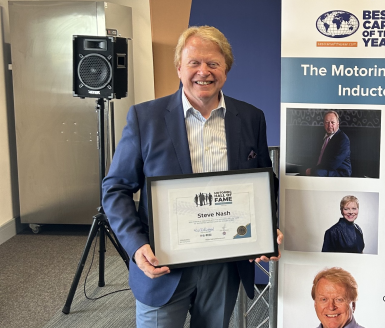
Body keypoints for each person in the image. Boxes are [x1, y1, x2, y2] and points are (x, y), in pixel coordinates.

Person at [102, 26, 283, 328]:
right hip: (163, 264)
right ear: (179, 68)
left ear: (226, 70)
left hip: (224, 265)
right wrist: (135, 245)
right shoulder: (145, 118)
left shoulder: (252, 118)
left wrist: (266, 228)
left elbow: (265, 183)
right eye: (194, 63)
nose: (204, 72)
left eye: (213, 63)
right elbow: (116, 188)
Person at [306, 111, 351, 177]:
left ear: (338, 123)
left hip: (339, 172)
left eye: (332, 122)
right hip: (325, 169)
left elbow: (334, 163)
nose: (329, 125)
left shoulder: (343, 139)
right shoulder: (322, 137)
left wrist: (313, 170)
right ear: (324, 124)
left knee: (316, 173)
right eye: (327, 122)